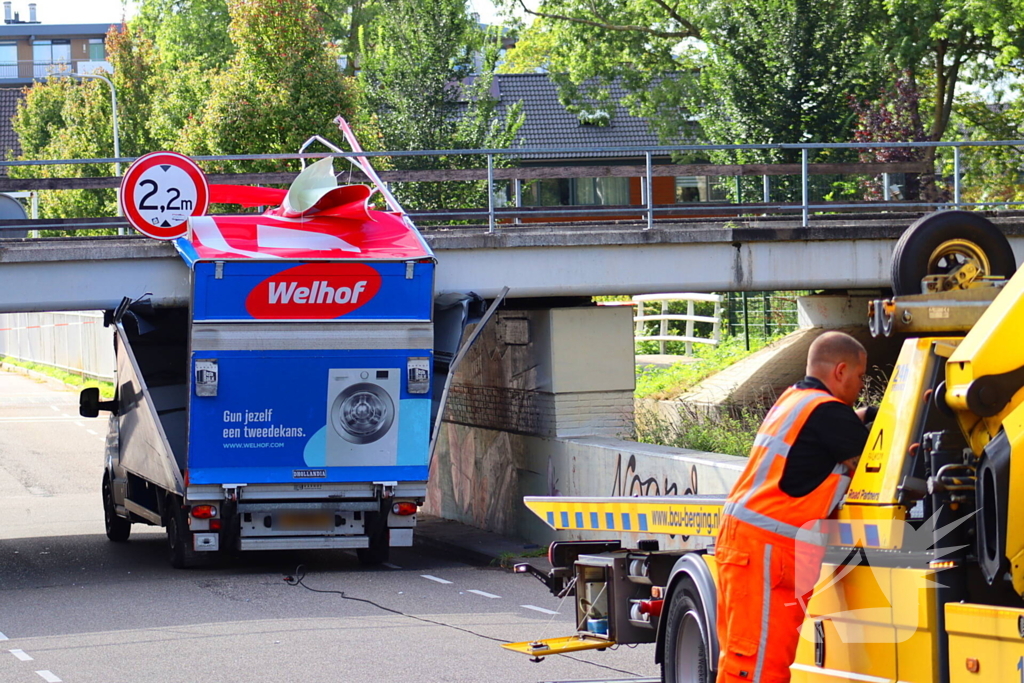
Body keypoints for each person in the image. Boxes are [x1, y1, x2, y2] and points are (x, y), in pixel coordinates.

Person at [715, 330, 872, 683]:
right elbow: (874, 462)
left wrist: (866, 415)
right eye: (861, 377)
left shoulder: (795, 399)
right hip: (766, 549)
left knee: (742, 661)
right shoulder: (827, 412)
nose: (861, 385)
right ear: (841, 371)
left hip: (749, 544)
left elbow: (832, 434)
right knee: (760, 669)